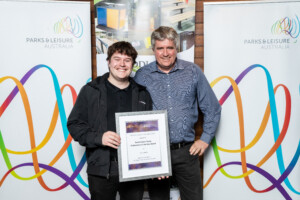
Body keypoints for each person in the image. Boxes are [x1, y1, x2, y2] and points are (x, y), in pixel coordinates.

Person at [67, 41, 167, 200]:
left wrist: (157, 164)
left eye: (127, 60)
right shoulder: (91, 90)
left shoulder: (142, 94)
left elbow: (150, 132)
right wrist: (99, 138)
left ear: (132, 64)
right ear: (108, 62)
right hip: (102, 168)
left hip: (135, 169)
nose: (122, 64)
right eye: (117, 59)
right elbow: (74, 124)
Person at [134, 26, 222, 200]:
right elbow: (134, 114)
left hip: (186, 152)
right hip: (155, 152)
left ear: (176, 49)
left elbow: (212, 108)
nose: (165, 53)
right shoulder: (142, 75)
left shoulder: (193, 71)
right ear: (154, 50)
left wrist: (205, 140)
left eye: (170, 48)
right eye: (160, 48)